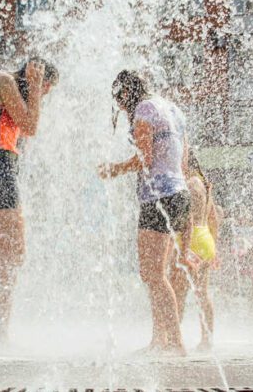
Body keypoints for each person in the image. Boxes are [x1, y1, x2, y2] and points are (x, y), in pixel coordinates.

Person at [99, 70, 191, 356]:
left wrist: (113, 169)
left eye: (120, 100)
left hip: (159, 197)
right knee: (158, 274)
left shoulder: (143, 109)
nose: (122, 107)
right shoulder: (171, 108)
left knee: (152, 273)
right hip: (179, 194)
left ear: (126, 92)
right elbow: (183, 159)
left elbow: (145, 158)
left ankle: (175, 343)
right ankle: (159, 340)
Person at [0, 57, 59, 343]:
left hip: (2, 167)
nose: (45, 93)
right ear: (35, 74)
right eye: (47, 85)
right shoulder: (5, 82)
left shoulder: (10, 89)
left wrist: (35, 90)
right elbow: (31, 126)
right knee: (3, 255)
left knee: (14, 254)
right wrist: (34, 87)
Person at [170, 153, 221, 351]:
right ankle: (207, 339)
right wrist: (213, 248)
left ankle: (175, 339)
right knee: (202, 293)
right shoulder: (205, 185)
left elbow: (188, 220)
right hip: (205, 238)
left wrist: (184, 251)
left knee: (178, 293)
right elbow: (214, 218)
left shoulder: (189, 184)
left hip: (190, 240)